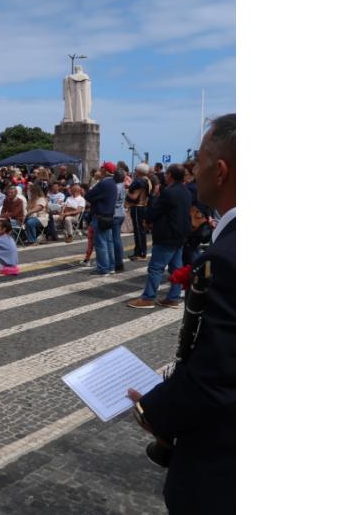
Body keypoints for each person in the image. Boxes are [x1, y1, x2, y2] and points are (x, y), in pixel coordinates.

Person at [127, 113, 235, 515]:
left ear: (220, 170)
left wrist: (154, 411)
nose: (195, 169)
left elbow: (220, 375)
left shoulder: (228, 258)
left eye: (200, 159)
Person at [126, 164, 192, 308]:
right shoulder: (186, 192)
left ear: (170, 175)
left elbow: (156, 211)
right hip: (181, 234)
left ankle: (148, 298)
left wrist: (148, 220)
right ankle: (173, 297)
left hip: (166, 234)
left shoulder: (169, 192)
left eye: (167, 174)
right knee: (176, 268)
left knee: (156, 267)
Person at [84, 162, 118, 275]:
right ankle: (111, 266)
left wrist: (95, 181)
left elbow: (88, 196)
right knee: (109, 242)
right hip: (108, 215)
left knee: (101, 243)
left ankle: (103, 268)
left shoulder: (103, 183)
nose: (100, 169)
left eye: (101, 167)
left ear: (105, 170)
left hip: (100, 215)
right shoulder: (112, 182)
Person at [127, 163, 153, 260]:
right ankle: (140, 251)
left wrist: (127, 192)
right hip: (144, 206)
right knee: (140, 231)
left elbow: (134, 196)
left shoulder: (140, 182)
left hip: (138, 207)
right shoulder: (148, 180)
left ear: (139, 171)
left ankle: (140, 253)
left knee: (138, 231)